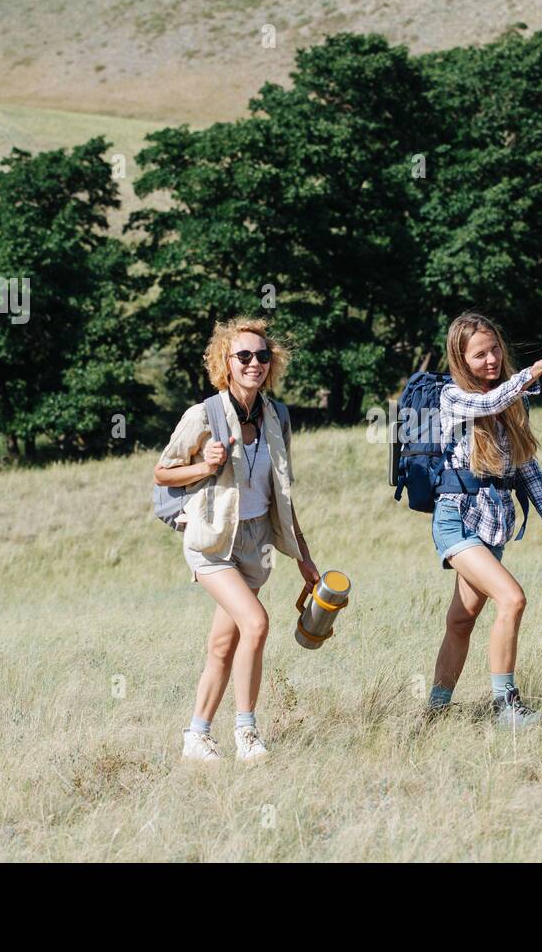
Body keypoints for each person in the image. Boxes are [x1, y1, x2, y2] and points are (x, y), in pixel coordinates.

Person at [154, 318, 320, 763]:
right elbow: (162, 472)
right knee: (257, 623)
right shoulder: (203, 415)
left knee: (223, 645)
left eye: (262, 356)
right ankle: (247, 732)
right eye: (243, 356)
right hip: (211, 542)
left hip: (255, 543)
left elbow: (282, 494)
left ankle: (196, 736)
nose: (254, 363)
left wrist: (304, 557)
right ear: (225, 363)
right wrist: (206, 465)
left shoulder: (277, 417)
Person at [426, 311, 542, 727]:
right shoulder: (454, 396)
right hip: (456, 520)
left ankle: (436, 712)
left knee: (461, 621)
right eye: (479, 355)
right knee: (512, 599)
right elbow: (490, 401)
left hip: (492, 526)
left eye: (495, 349)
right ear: (461, 360)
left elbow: (526, 467)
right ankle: (505, 707)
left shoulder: (514, 400)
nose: (491, 359)